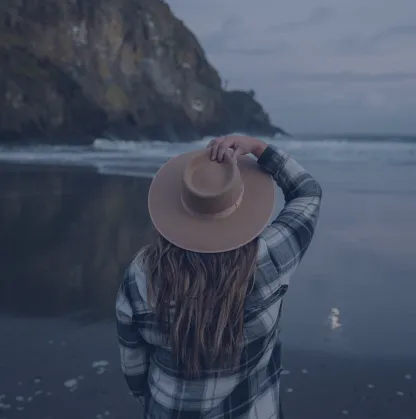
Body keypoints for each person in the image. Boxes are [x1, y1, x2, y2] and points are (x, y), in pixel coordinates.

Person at [116, 135, 322, 418]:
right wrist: (259, 149)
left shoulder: (141, 274)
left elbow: (133, 366)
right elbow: (307, 193)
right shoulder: (271, 257)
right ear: (241, 204)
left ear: (177, 207)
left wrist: (154, 404)